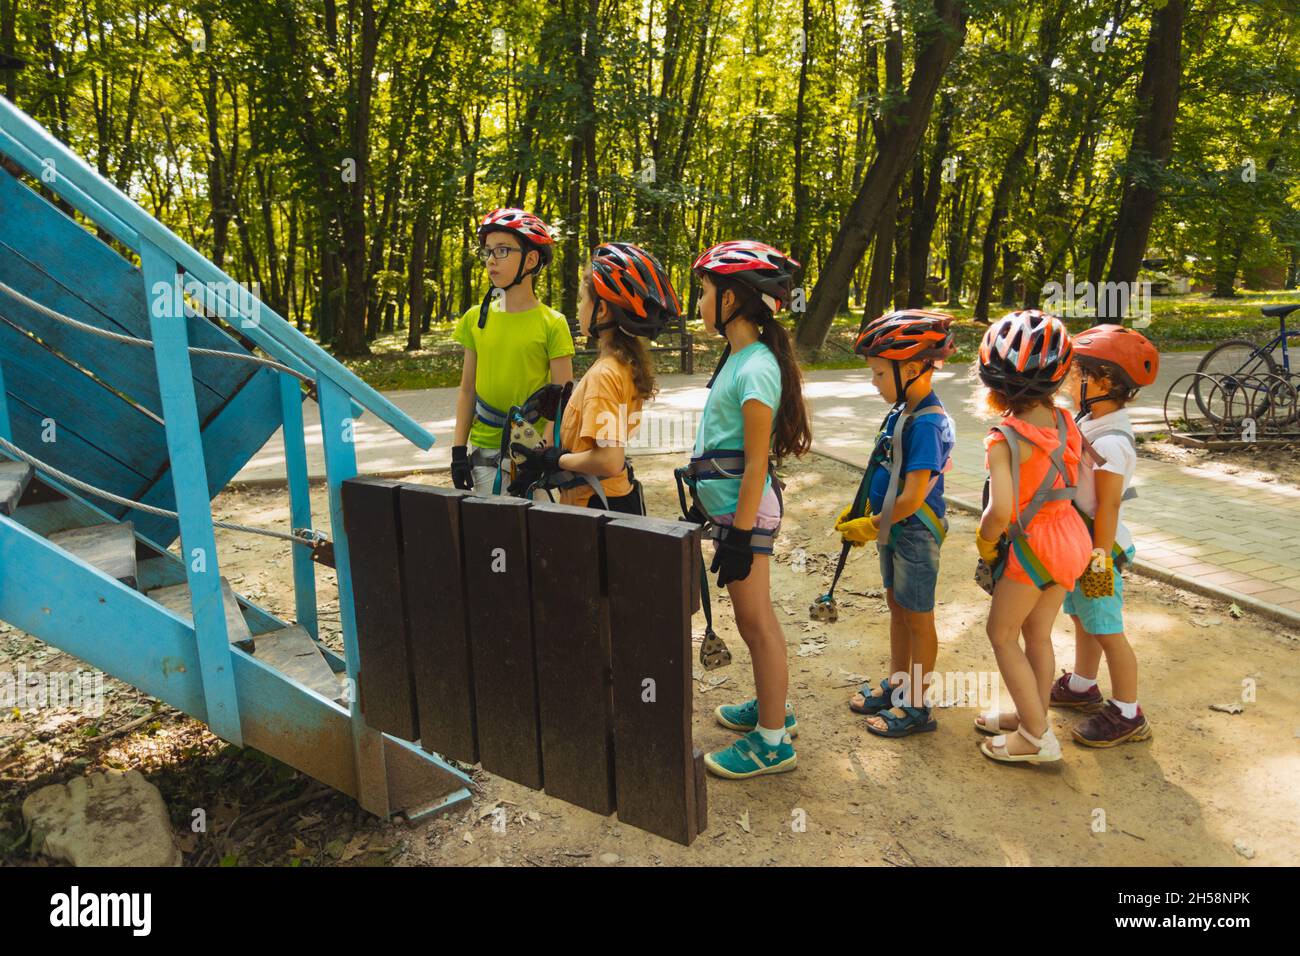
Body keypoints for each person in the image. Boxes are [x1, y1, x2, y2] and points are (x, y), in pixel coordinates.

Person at [676, 240, 812, 780]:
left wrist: (740, 535)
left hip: (746, 515)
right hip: (734, 512)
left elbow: (756, 462)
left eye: (705, 292)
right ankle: (768, 703)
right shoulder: (737, 356)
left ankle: (772, 742)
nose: (700, 303)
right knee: (754, 619)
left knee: (756, 622)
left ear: (731, 298)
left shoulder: (755, 366)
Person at [973, 310, 1092, 765]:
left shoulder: (1003, 437)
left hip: (1033, 546)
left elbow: (999, 510)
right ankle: (1031, 716)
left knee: (1000, 634)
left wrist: (985, 542)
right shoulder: (1067, 422)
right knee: (1037, 634)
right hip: (1070, 539)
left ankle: (1037, 738)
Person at [837, 310, 957, 738]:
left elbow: (912, 498)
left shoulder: (927, 423)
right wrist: (863, 514)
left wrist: (871, 525)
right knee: (897, 607)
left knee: (918, 617)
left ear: (911, 368)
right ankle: (899, 682)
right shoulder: (902, 410)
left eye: (878, 374)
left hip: (915, 533)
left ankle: (919, 706)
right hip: (894, 528)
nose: (874, 382)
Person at [509, 242, 676, 514]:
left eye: (582, 298)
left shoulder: (605, 374)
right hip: (614, 498)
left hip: (596, 505)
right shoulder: (622, 365)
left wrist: (556, 459)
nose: (579, 307)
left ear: (601, 310)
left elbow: (609, 460)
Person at [1051, 324, 1159, 747]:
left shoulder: (1113, 441)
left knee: (1107, 627)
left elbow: (1109, 506)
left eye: (1078, 372)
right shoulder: (1091, 419)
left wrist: (1098, 559)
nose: (1071, 379)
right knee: (1082, 616)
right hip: (1083, 542)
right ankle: (1082, 685)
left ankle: (1129, 712)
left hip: (1100, 549)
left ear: (1106, 381)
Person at [449, 208, 573, 495]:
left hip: (531, 454)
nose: (491, 259)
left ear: (530, 259)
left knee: (536, 535)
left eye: (502, 250)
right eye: (488, 251)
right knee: (490, 535)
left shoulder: (552, 324)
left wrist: (541, 453)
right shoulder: (474, 319)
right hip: (484, 453)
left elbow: (562, 400)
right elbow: (467, 390)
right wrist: (458, 450)